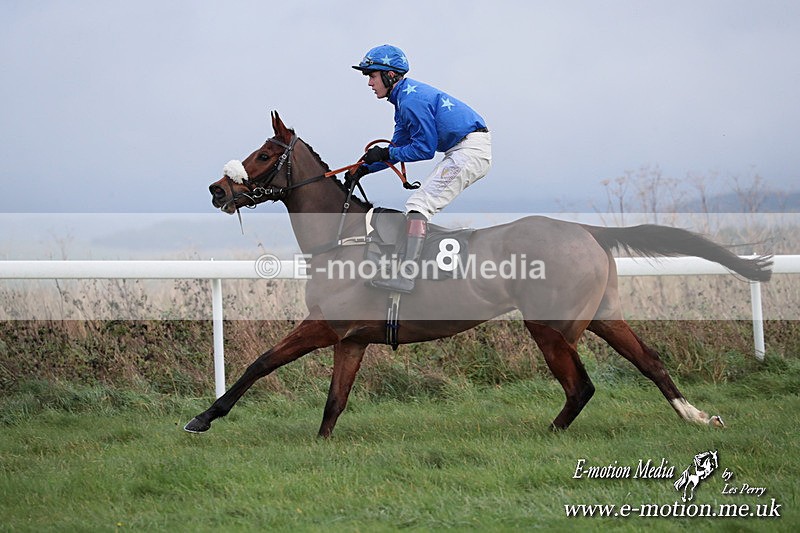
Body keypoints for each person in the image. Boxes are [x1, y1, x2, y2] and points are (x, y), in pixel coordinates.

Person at [350, 44, 492, 293]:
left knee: (419, 204)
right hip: (462, 150)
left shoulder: (410, 101)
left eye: (372, 76)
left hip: (469, 151)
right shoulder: (403, 100)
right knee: (418, 203)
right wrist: (364, 168)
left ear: (389, 75)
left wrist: (385, 153)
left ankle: (407, 276)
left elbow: (423, 150)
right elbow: (398, 147)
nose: (370, 83)